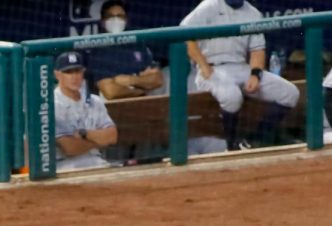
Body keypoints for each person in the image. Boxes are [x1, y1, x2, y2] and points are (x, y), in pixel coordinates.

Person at [181, 0, 300, 150]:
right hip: (212, 68)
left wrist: (255, 74)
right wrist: (202, 64)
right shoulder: (209, 6)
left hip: (241, 67)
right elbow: (184, 33)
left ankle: (257, 139)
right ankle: (232, 146)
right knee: (232, 96)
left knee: (290, 93)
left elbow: (257, 49)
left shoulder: (253, 13)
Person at [53, 51, 118, 171]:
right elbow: (70, 148)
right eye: (68, 72)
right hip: (65, 166)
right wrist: (98, 141)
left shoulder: (94, 101)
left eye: (77, 71)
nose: (74, 77)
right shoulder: (52, 105)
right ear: (57, 75)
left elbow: (112, 136)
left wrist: (85, 134)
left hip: (97, 162)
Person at [87, 0, 164, 100]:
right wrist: (141, 88)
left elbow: (157, 80)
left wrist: (129, 80)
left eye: (120, 16)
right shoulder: (98, 51)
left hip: (143, 106)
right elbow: (110, 92)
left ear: (126, 19)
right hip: (112, 108)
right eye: (110, 16)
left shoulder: (137, 44)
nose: (116, 19)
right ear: (102, 21)